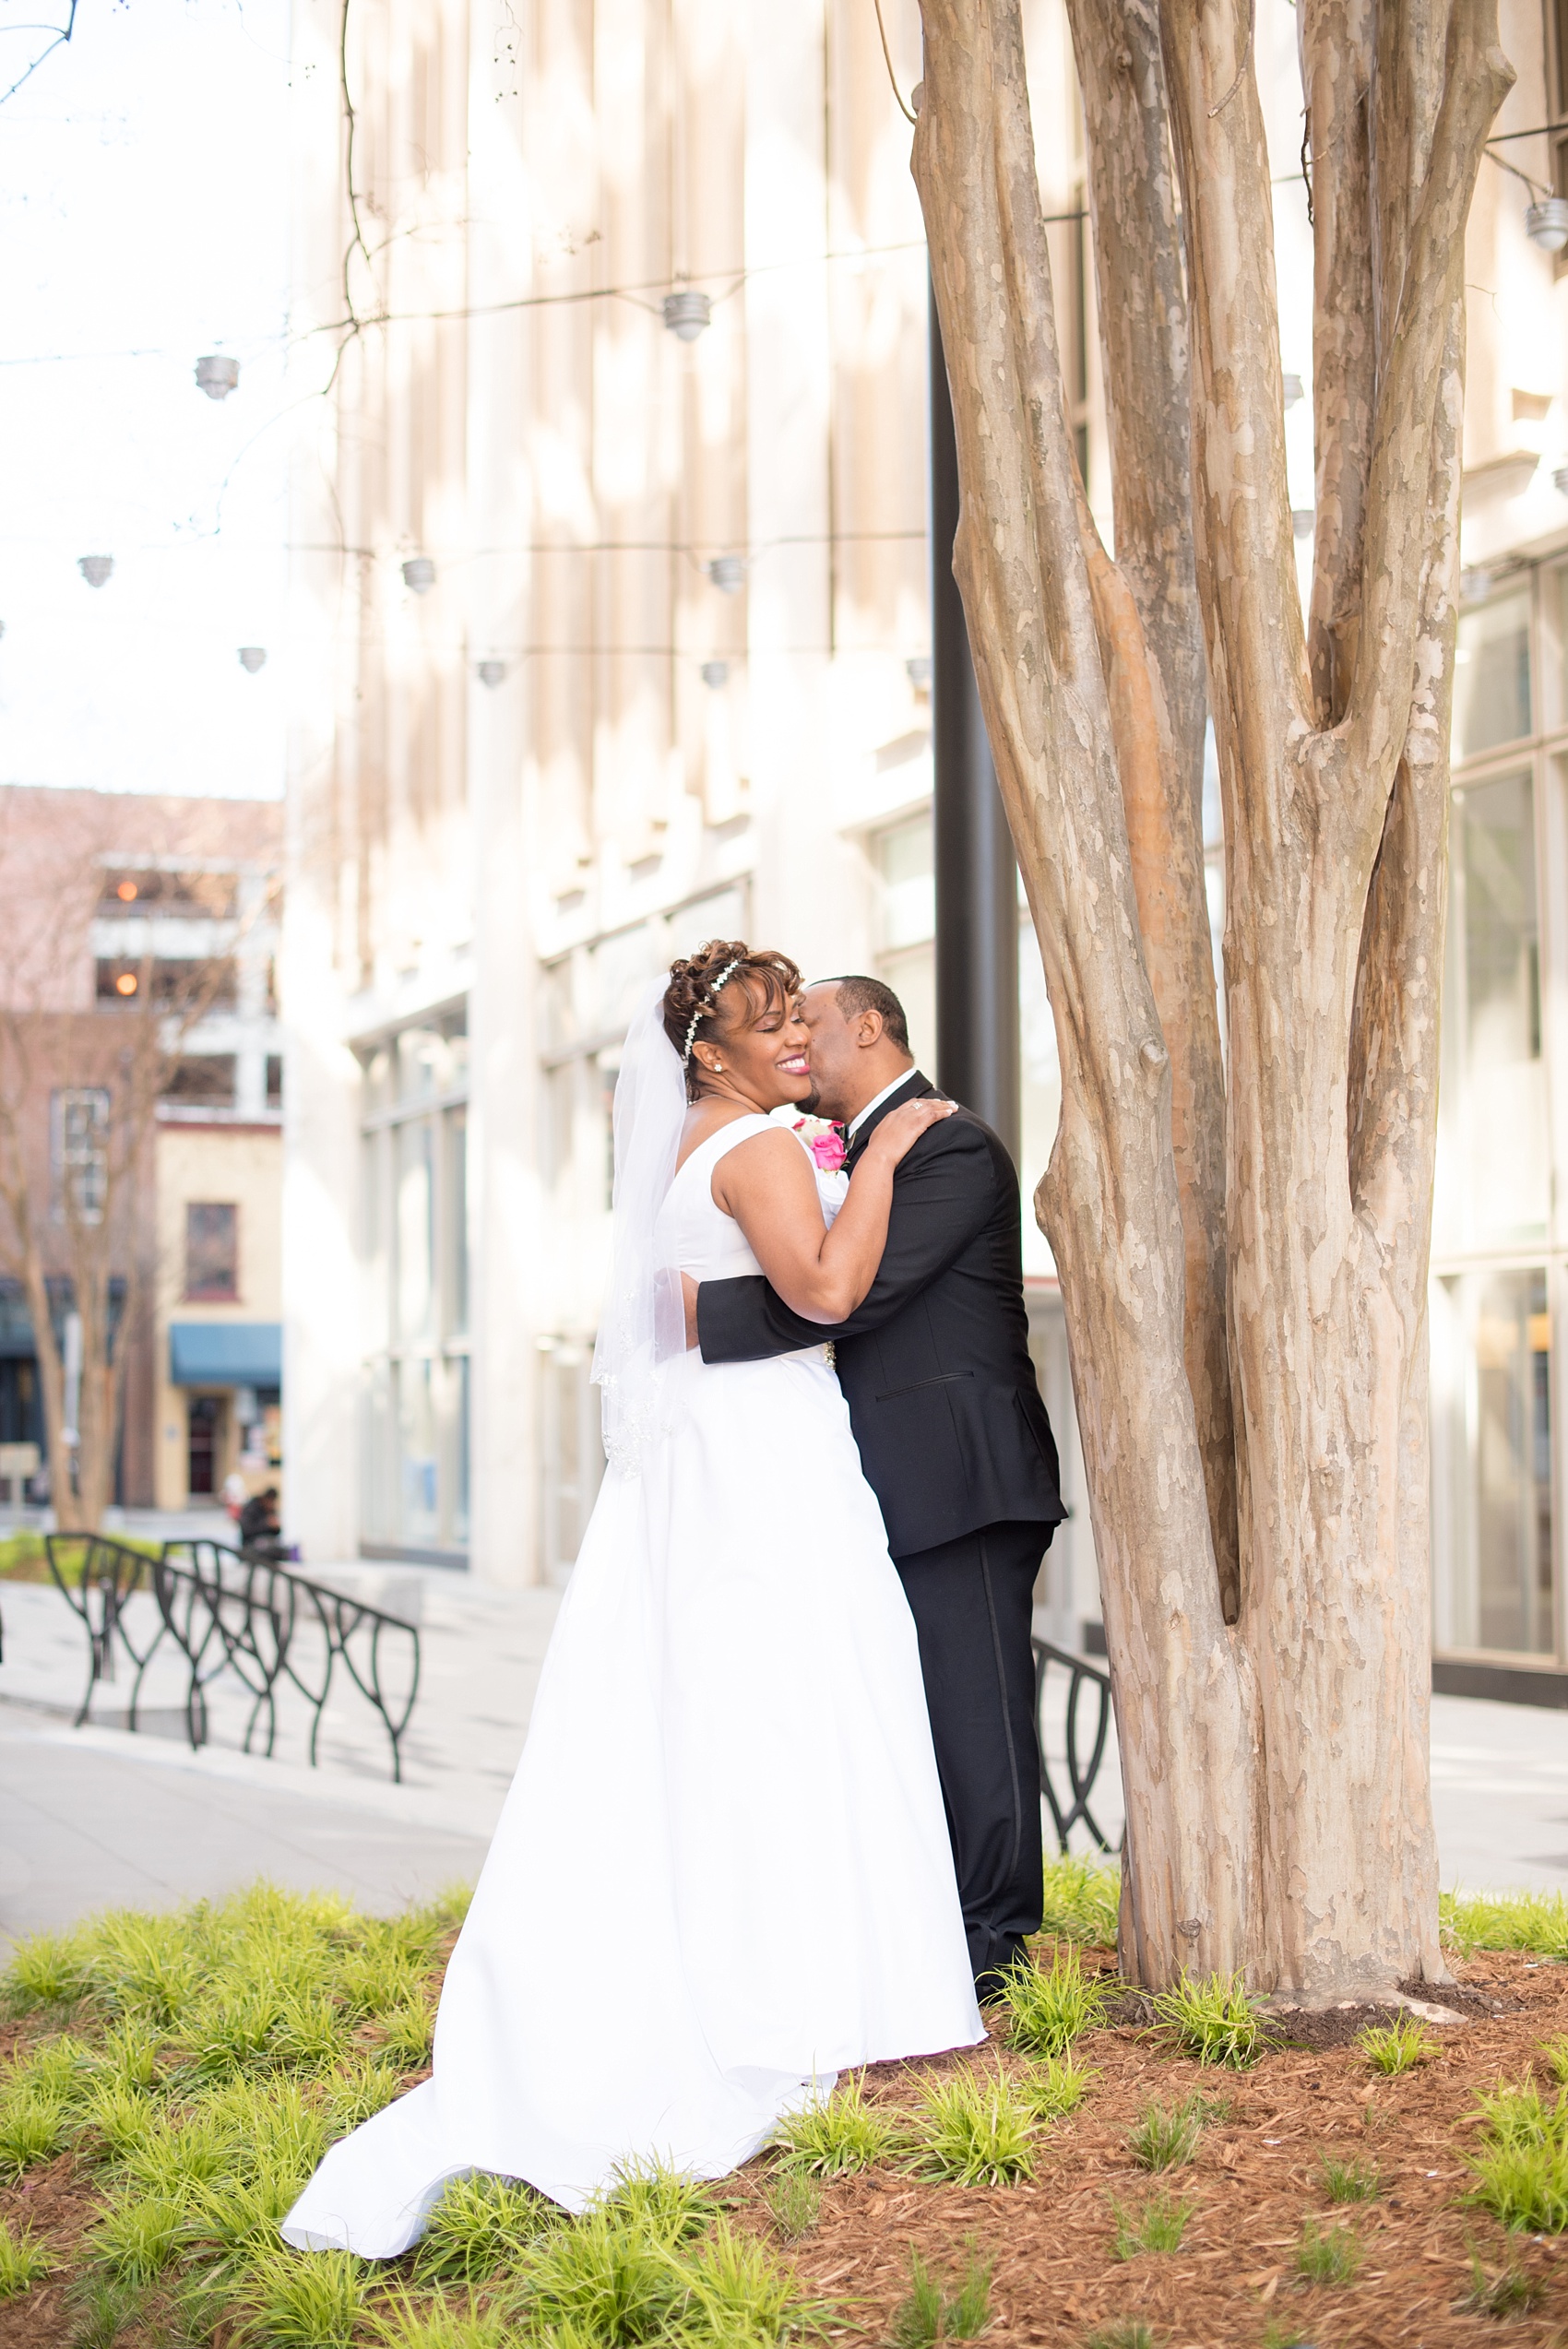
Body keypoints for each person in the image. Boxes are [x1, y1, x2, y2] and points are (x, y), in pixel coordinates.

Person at [280, 942, 982, 2256]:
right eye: (769, 1027)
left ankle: (756, 1972)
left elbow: (689, 1308)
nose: (793, 1044)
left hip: (704, 1461)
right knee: (803, 1699)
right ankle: (802, 1997)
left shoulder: (685, 1152)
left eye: (795, 1023)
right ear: (704, 1053)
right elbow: (825, 1291)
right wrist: (880, 1163)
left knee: (715, 1715)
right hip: (767, 1455)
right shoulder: (764, 1146)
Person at [690, 975, 1066, 1996]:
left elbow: (850, 1295)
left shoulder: (945, 1142)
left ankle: (995, 1948)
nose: (798, 1044)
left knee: (971, 1711)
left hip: (959, 1476)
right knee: (900, 1715)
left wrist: (693, 1318)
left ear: (868, 1025)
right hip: (871, 1483)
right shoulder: (841, 1152)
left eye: (806, 1021)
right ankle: (924, 1924)